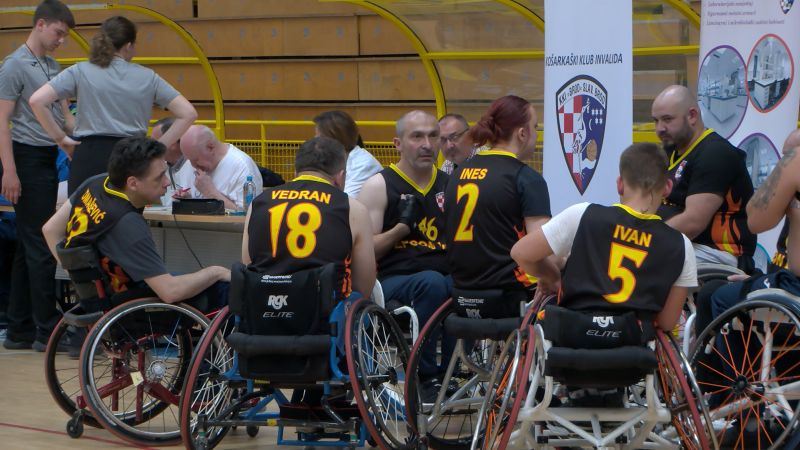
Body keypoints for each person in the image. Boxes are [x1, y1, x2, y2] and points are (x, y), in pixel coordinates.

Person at [242, 136, 376, 404]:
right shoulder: (351, 207)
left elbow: (248, 265)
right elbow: (364, 283)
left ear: (296, 170)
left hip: (262, 317)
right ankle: (339, 394)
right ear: (340, 176)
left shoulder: (259, 202)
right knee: (361, 302)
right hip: (321, 321)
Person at [511, 142, 697, 333]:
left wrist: (553, 277)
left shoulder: (582, 214)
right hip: (633, 344)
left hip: (573, 339)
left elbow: (520, 253)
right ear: (667, 187)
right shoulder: (681, 245)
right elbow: (667, 323)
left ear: (620, 184)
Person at [42, 137, 230, 307]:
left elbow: (50, 230)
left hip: (99, 300)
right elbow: (170, 292)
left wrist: (78, 278)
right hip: (132, 306)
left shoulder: (95, 183)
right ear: (132, 183)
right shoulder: (127, 223)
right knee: (223, 288)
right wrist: (216, 271)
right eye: (159, 177)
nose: (167, 182)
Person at [29, 15, 197, 195]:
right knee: (126, 211)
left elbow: (36, 101)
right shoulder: (148, 77)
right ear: (128, 45)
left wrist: (60, 139)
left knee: (84, 212)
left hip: (89, 155)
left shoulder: (80, 70)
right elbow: (188, 113)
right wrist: (158, 148)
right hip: (132, 158)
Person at [0, 0, 75, 351]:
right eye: (58, 33)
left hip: (47, 155)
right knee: (42, 243)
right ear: (41, 24)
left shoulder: (52, 65)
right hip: (26, 157)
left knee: (27, 245)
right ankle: (48, 330)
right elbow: (2, 122)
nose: (61, 40)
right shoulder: (14, 65)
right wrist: (10, 171)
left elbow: (64, 117)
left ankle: (19, 328)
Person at [358, 110, 451, 384]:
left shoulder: (450, 184)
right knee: (432, 282)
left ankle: (452, 372)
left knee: (467, 285)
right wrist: (400, 229)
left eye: (433, 136)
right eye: (417, 137)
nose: (427, 144)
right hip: (391, 280)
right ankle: (424, 374)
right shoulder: (379, 185)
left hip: (442, 276)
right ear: (398, 143)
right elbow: (365, 251)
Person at [445, 95, 552, 316]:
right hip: (512, 295)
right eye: (535, 127)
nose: (536, 134)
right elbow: (541, 252)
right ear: (522, 133)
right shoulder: (526, 178)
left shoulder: (456, 174)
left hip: (461, 293)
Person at [651, 85, 755, 270]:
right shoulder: (671, 151)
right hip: (685, 245)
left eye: (667, 119)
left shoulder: (715, 153)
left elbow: (693, 223)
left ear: (692, 115)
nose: (659, 129)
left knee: (640, 261)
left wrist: (645, 238)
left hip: (717, 253)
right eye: (656, 121)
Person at [176, 125, 262, 210]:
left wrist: (210, 193)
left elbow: (247, 214)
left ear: (211, 147)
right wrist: (187, 200)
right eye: (189, 159)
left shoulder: (243, 168)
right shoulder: (190, 162)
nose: (193, 165)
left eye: (196, 160)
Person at [313, 110, 382, 198]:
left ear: (335, 139)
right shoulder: (328, 159)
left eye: (319, 137)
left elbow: (344, 200)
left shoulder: (364, 164)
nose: (315, 141)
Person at [150, 116, 190, 190]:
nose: (151, 147)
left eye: (155, 142)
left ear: (173, 140)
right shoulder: (157, 169)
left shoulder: (197, 168)